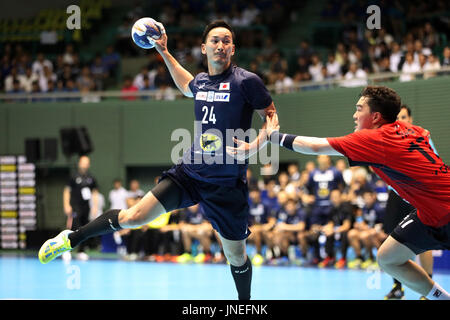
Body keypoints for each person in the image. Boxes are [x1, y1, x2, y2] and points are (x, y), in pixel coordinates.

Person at [39, 20, 278, 301]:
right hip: (189, 174)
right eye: (214, 40)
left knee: (236, 255)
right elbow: (186, 83)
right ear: (204, 48)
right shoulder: (201, 82)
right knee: (132, 216)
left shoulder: (246, 82)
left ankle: (244, 305)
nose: (220, 45)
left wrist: (256, 145)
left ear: (233, 49)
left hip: (226, 185)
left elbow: (271, 117)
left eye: (226, 41)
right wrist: (164, 51)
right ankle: (71, 238)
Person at [261, 85, 450, 300]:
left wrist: (273, 136)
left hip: (446, 210)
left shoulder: (375, 139)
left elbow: (314, 146)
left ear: (376, 116)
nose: (354, 114)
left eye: (359, 109)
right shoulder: (411, 130)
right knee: (388, 258)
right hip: (429, 214)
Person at [383, 105, 435, 300]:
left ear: (411, 119)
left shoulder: (422, 138)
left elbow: (432, 165)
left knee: (424, 242)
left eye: (404, 116)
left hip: (416, 195)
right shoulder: (388, 139)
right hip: (396, 196)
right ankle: (398, 288)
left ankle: (428, 288)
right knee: (394, 239)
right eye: (397, 117)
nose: (401, 120)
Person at [62, 155, 99, 261]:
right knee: (73, 227)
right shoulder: (73, 176)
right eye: (83, 162)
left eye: (87, 162)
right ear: (79, 163)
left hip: (85, 208)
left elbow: (95, 193)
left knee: (84, 229)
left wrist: (95, 207)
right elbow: (66, 191)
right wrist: (66, 205)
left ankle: (81, 251)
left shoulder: (91, 178)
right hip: (74, 207)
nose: (84, 164)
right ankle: (66, 250)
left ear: (89, 164)